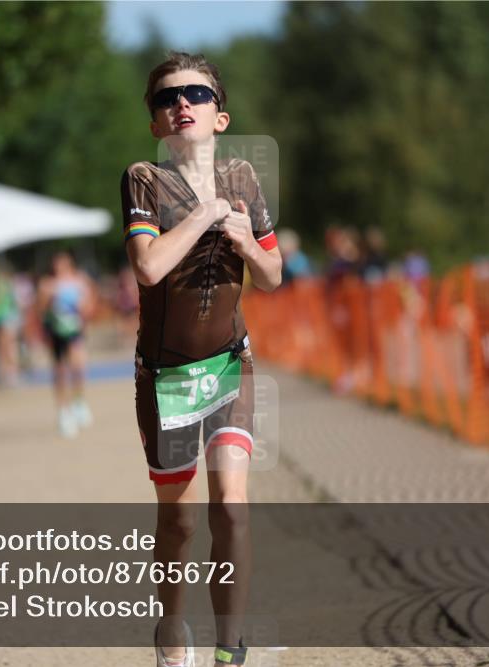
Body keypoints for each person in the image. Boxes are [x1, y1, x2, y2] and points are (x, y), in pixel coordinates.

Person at [121, 51, 282, 667]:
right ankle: (170, 629)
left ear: (221, 116)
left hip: (229, 364)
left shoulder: (243, 179)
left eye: (196, 94)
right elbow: (149, 266)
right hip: (166, 377)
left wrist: (249, 244)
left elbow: (272, 275)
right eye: (167, 98)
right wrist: (207, 215)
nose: (182, 103)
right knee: (180, 524)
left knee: (231, 509)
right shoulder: (143, 179)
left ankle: (229, 650)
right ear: (156, 122)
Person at [37, 251, 95, 437]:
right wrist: (49, 301)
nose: (59, 267)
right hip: (56, 331)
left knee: (78, 367)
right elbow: (40, 310)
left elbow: (89, 304)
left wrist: (82, 309)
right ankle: (63, 410)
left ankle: (79, 401)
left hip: (74, 330)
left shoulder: (79, 280)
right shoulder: (47, 284)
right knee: (60, 371)